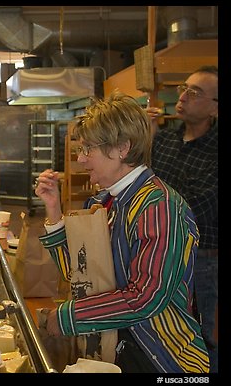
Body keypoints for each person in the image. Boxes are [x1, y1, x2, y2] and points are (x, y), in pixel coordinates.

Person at [35, 91, 209, 373]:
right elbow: (83, 278)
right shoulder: (103, 202)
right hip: (114, 348)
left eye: (88, 148)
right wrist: (54, 212)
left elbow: (145, 298)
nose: (81, 159)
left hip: (163, 357)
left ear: (122, 148)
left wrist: (67, 317)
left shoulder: (159, 206)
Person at [148, 66, 218, 372]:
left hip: (202, 261)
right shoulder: (163, 140)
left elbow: (200, 206)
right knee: (168, 332)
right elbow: (148, 190)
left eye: (196, 93)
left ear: (215, 106)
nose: (184, 96)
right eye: (184, 88)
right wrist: (144, 139)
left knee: (205, 335)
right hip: (162, 253)